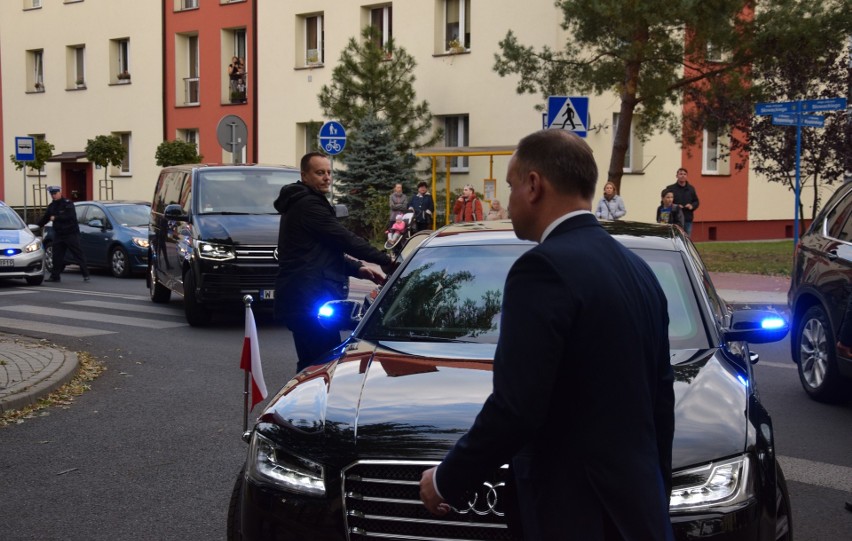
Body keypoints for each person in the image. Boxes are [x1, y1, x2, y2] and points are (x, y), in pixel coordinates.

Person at [419, 130, 675, 540]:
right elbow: (662, 402)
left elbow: (517, 407)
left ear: (534, 185)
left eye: (511, 185)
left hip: (574, 513)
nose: (508, 200)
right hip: (638, 510)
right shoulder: (638, 271)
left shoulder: (542, 269)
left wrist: (448, 479)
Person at [273, 153, 393, 373]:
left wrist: (358, 269)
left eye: (329, 172)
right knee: (318, 364)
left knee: (317, 361)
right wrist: (385, 260)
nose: (327, 177)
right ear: (305, 176)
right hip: (307, 298)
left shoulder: (305, 201)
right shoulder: (308, 205)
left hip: (305, 295)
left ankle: (306, 402)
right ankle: (305, 404)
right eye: (320, 173)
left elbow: (323, 251)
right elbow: (344, 239)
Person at [37, 186, 91, 283]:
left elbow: (69, 216)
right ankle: (55, 276)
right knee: (56, 256)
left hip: (71, 234)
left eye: (55, 193)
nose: (53, 196)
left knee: (78, 254)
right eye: (52, 194)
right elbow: (46, 218)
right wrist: (37, 226)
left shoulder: (68, 203)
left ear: (60, 193)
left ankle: (85, 274)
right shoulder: (51, 206)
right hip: (59, 234)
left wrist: (56, 218)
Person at [665, 168, 699, 236]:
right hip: (674, 219)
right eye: (680, 174)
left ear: (686, 176)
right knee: (674, 238)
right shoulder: (670, 188)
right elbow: (665, 202)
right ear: (677, 176)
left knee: (686, 239)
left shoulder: (691, 188)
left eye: (684, 174)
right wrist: (676, 206)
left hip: (687, 219)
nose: (682, 176)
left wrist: (691, 206)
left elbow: (696, 201)